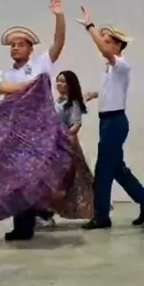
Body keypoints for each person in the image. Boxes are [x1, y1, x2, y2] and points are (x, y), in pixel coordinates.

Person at [0, 0, 68, 243]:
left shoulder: (40, 66)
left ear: (30, 48)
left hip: (36, 134)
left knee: (29, 178)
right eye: (13, 45)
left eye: (21, 44)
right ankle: (25, 221)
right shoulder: (3, 75)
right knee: (16, 180)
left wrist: (59, 17)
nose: (16, 48)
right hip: (11, 136)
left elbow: (58, 43)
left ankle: (28, 223)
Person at [74, 6, 144, 230]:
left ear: (118, 45)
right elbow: (112, 91)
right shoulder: (110, 70)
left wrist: (90, 26)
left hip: (115, 122)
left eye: (107, 40)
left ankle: (101, 216)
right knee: (117, 169)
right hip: (108, 122)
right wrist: (95, 94)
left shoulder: (122, 65)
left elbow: (105, 53)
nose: (103, 44)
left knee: (103, 169)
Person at [46, 70, 95, 221]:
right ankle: (47, 212)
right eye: (58, 81)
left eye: (63, 81)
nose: (59, 84)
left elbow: (76, 125)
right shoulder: (58, 102)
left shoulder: (72, 104)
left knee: (74, 181)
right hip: (54, 146)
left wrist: (64, 136)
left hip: (67, 147)